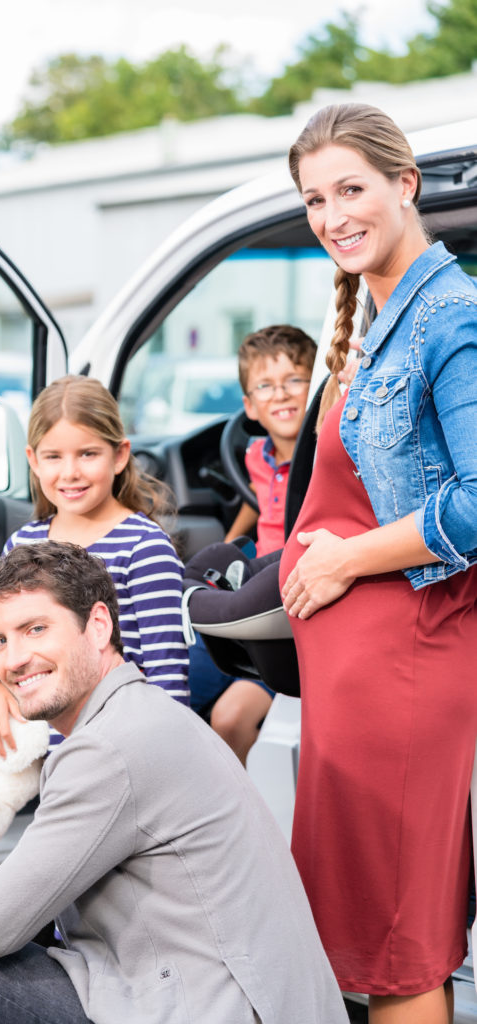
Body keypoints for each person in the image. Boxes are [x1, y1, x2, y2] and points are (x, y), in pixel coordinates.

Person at [0, 541, 349, 1024]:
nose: (15, 660)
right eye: (1, 641)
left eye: (36, 629)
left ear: (99, 625)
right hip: (240, 997)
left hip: (222, 1008)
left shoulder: (108, 748)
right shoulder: (145, 714)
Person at [279, 102, 477, 1023]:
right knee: (365, 943)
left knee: (398, 949)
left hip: (404, 672)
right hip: (354, 683)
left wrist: (344, 560)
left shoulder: (450, 318)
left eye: (350, 189)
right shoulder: (380, 317)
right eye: (314, 199)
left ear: (405, 186)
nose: (331, 215)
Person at [0, 375, 189, 755]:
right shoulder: (21, 544)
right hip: (50, 756)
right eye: (54, 456)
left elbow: (166, 675)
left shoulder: (144, 546)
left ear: (120, 456)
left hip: (122, 751)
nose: (70, 472)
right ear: (33, 461)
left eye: (87, 454)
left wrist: (164, 758)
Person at [190, 325, 316, 762]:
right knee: (173, 692)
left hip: (282, 610)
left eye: (295, 380)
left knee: (229, 719)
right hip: (246, 597)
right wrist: (224, 550)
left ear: (318, 387)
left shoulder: (326, 453)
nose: (280, 395)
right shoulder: (255, 456)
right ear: (250, 406)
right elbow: (261, 504)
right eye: (266, 386)